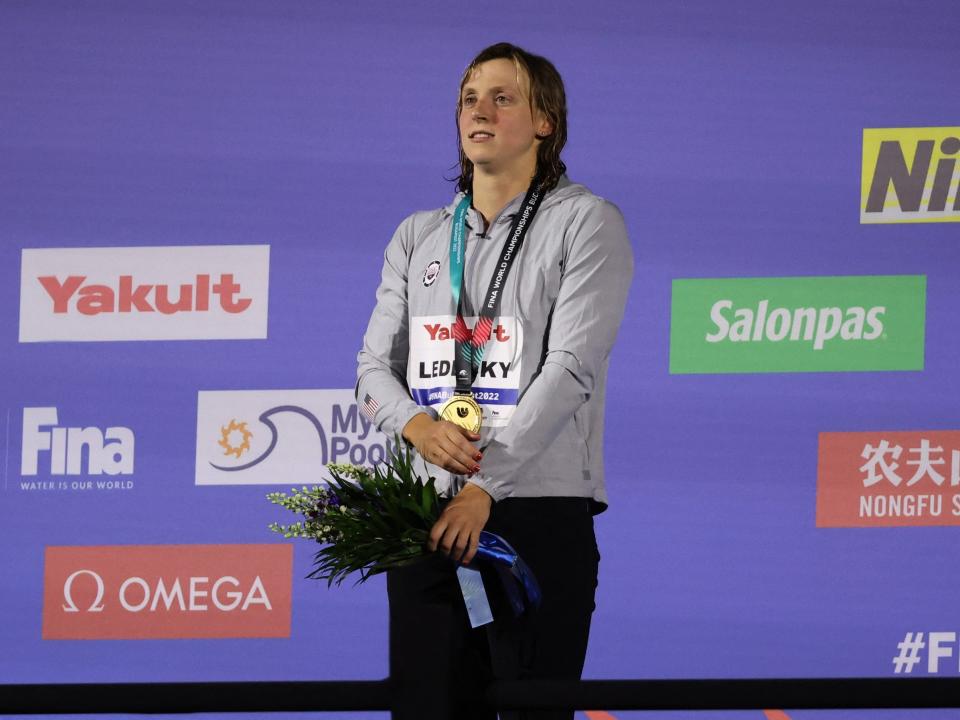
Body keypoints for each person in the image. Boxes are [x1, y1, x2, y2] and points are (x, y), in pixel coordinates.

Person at [356, 42, 633, 720]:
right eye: (468, 99)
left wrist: (485, 486)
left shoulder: (585, 222)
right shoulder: (418, 235)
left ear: (546, 121)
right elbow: (372, 371)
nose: (478, 111)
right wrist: (417, 426)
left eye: (502, 97)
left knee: (531, 713)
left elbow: (570, 370)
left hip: (534, 514)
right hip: (425, 521)